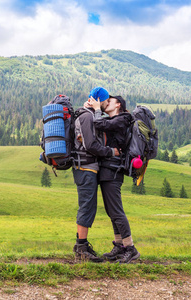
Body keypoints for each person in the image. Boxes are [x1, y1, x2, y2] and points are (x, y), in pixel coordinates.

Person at [87, 95, 140, 263]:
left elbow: (100, 124)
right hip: (108, 168)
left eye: (109, 101)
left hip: (114, 169)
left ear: (118, 105)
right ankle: (119, 245)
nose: (105, 103)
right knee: (111, 211)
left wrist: (96, 109)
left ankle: (130, 248)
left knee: (116, 210)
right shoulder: (115, 120)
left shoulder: (123, 119)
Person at [72, 87, 119, 262]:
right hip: (85, 167)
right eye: (107, 100)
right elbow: (90, 145)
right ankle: (81, 249)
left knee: (89, 207)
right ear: (100, 99)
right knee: (86, 206)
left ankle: (82, 247)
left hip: (89, 167)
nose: (108, 103)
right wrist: (110, 152)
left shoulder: (91, 115)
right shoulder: (86, 116)